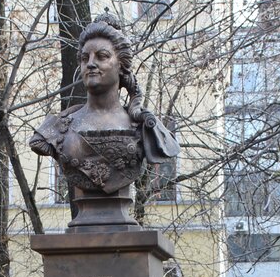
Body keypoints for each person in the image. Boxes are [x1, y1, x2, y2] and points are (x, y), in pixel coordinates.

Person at [29, 13, 179, 201]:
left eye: (102, 56)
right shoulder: (57, 129)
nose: (91, 64)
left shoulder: (144, 126)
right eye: (85, 58)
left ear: (121, 65)